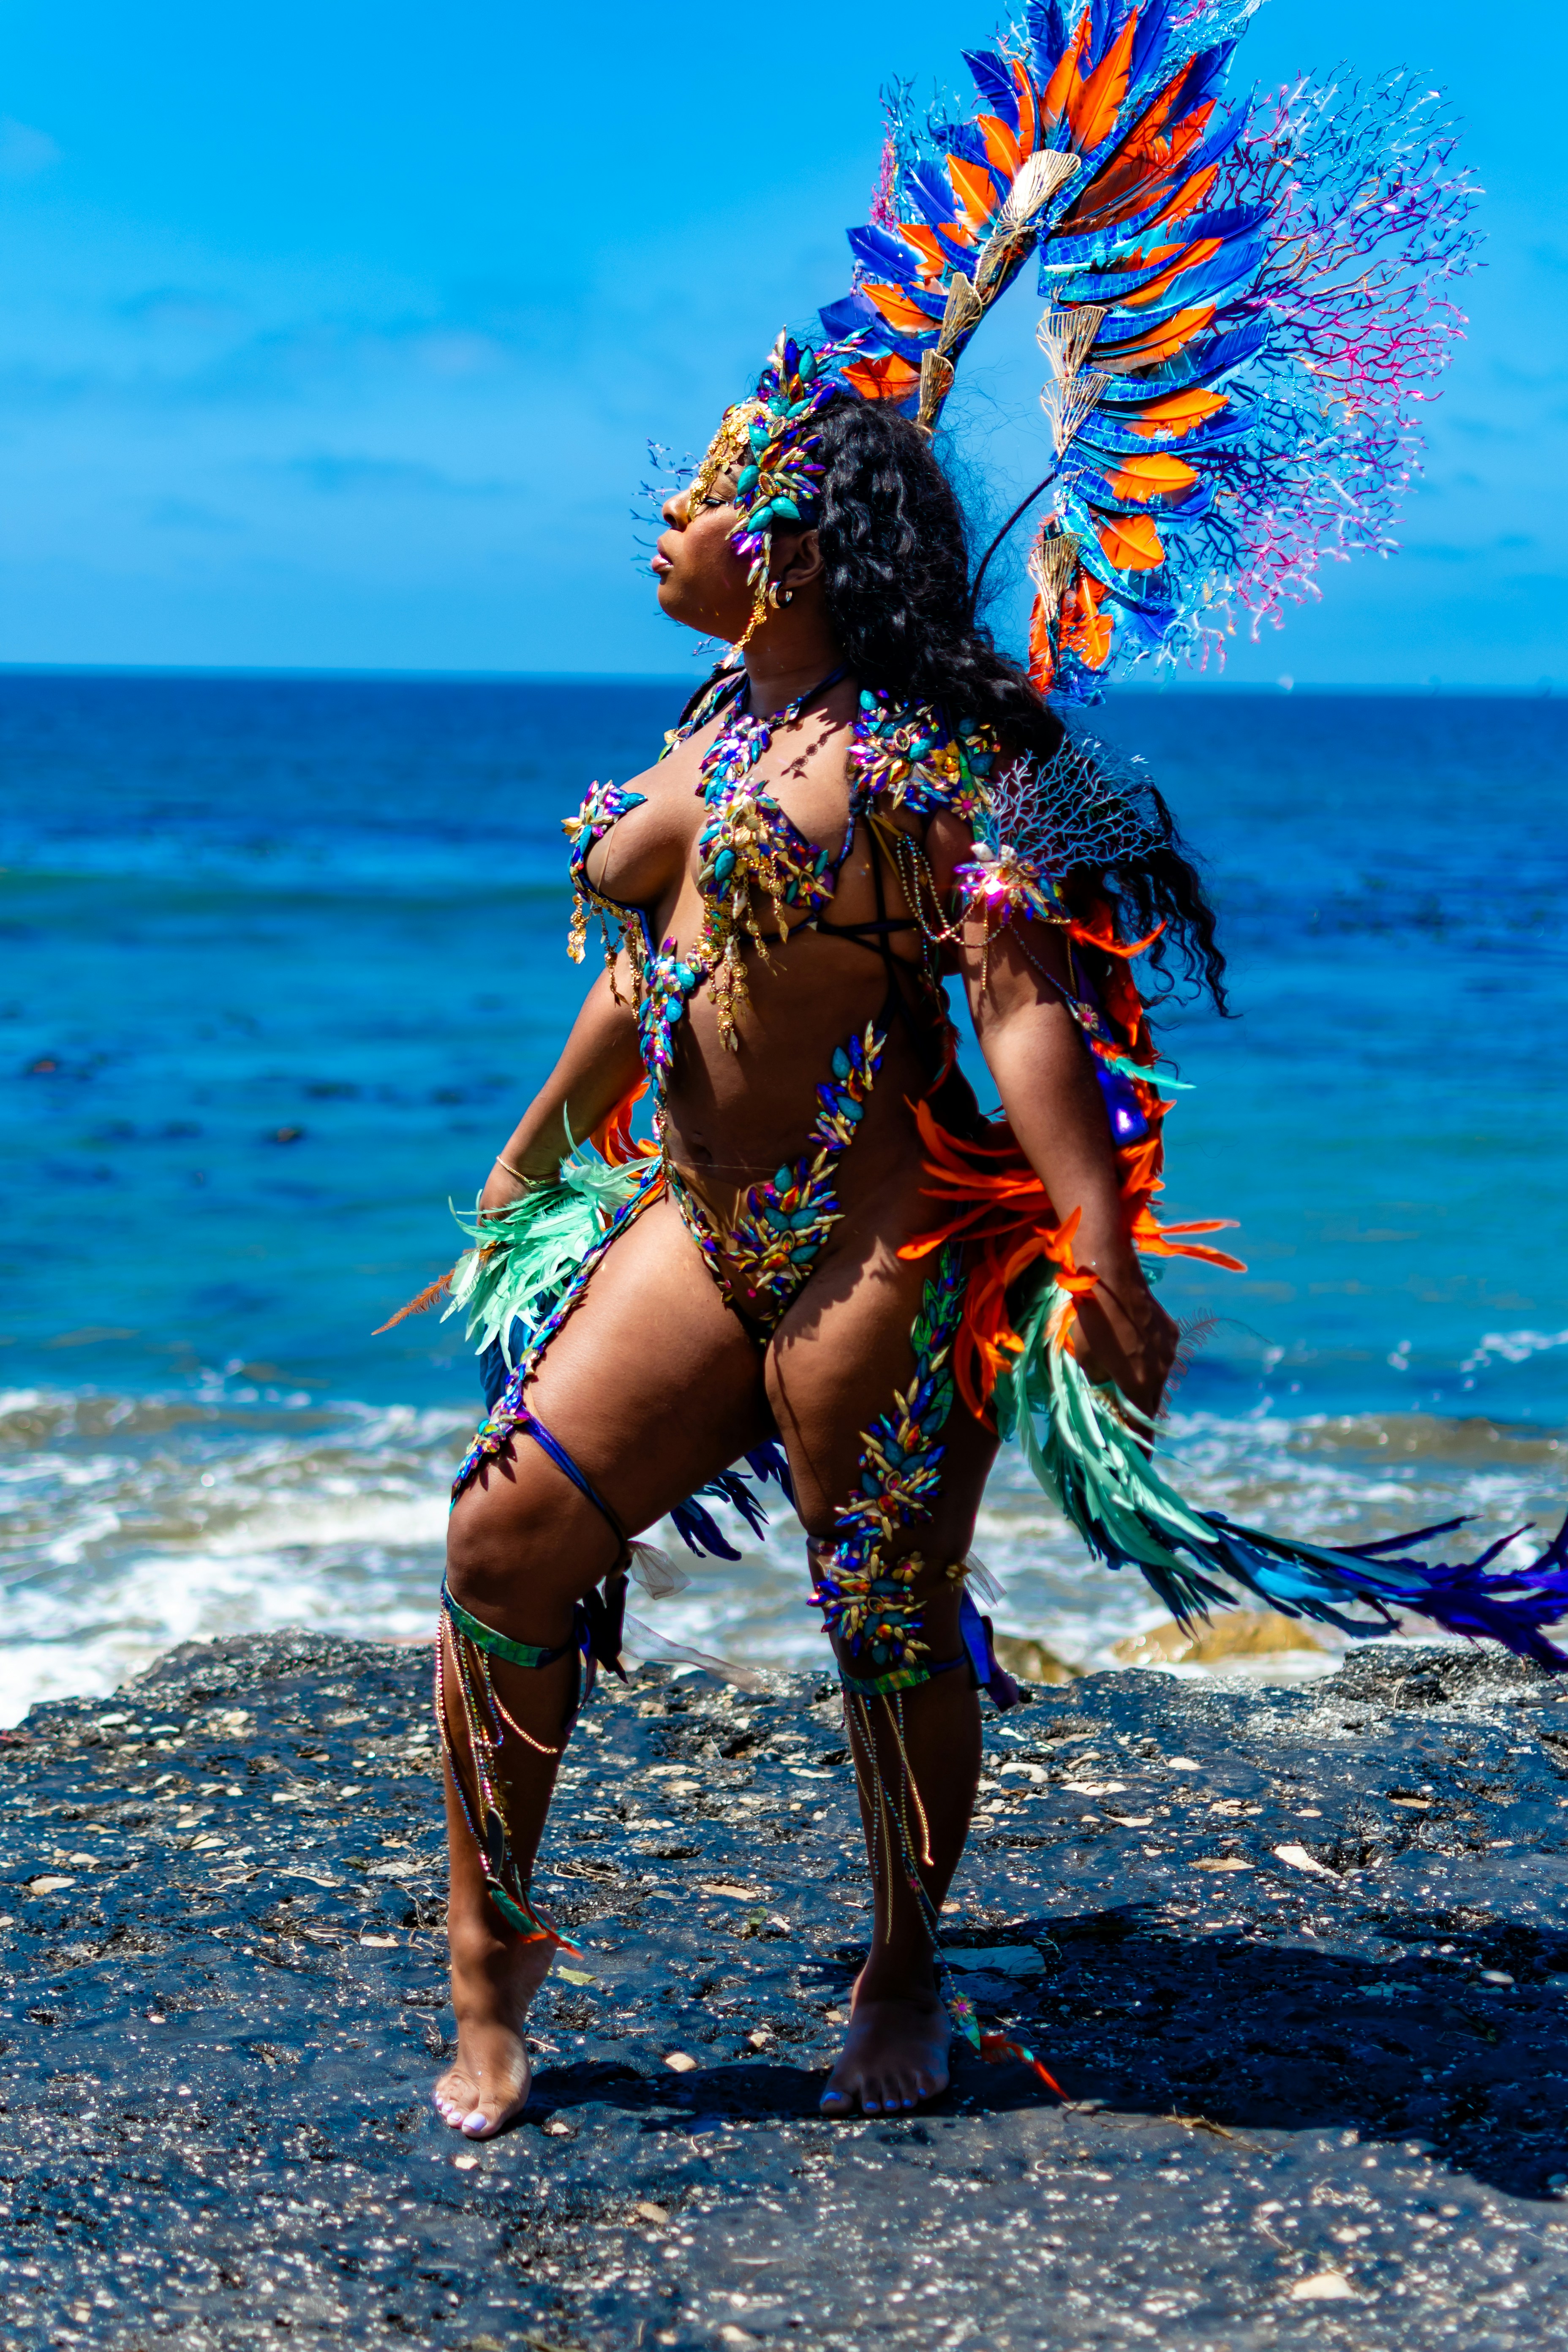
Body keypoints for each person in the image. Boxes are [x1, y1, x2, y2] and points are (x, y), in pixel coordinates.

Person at [395, 0, 1565, 2139]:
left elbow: (1022, 1000)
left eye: (701, 496)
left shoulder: (931, 766)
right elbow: (656, 973)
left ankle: (904, 1962)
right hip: (688, 1225)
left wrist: (1104, 1250)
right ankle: (491, 1963)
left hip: (874, 1253)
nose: (661, 516)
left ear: (793, 542)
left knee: (887, 1617)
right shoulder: (709, 740)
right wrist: (525, 1151)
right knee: (500, 1553)